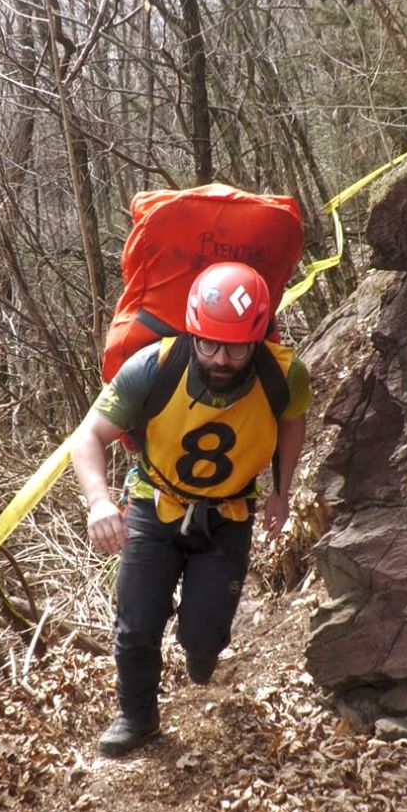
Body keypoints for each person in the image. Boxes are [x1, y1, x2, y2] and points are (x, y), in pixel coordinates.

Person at [71, 261, 311, 757]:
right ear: (192, 330)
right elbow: (88, 436)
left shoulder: (285, 375)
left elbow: (291, 422)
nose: (222, 359)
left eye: (238, 347)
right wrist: (98, 500)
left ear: (259, 338)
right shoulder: (153, 368)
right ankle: (137, 717)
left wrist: (280, 491)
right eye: (210, 344)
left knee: (204, 638)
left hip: (229, 516)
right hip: (155, 505)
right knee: (137, 624)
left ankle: (201, 651)